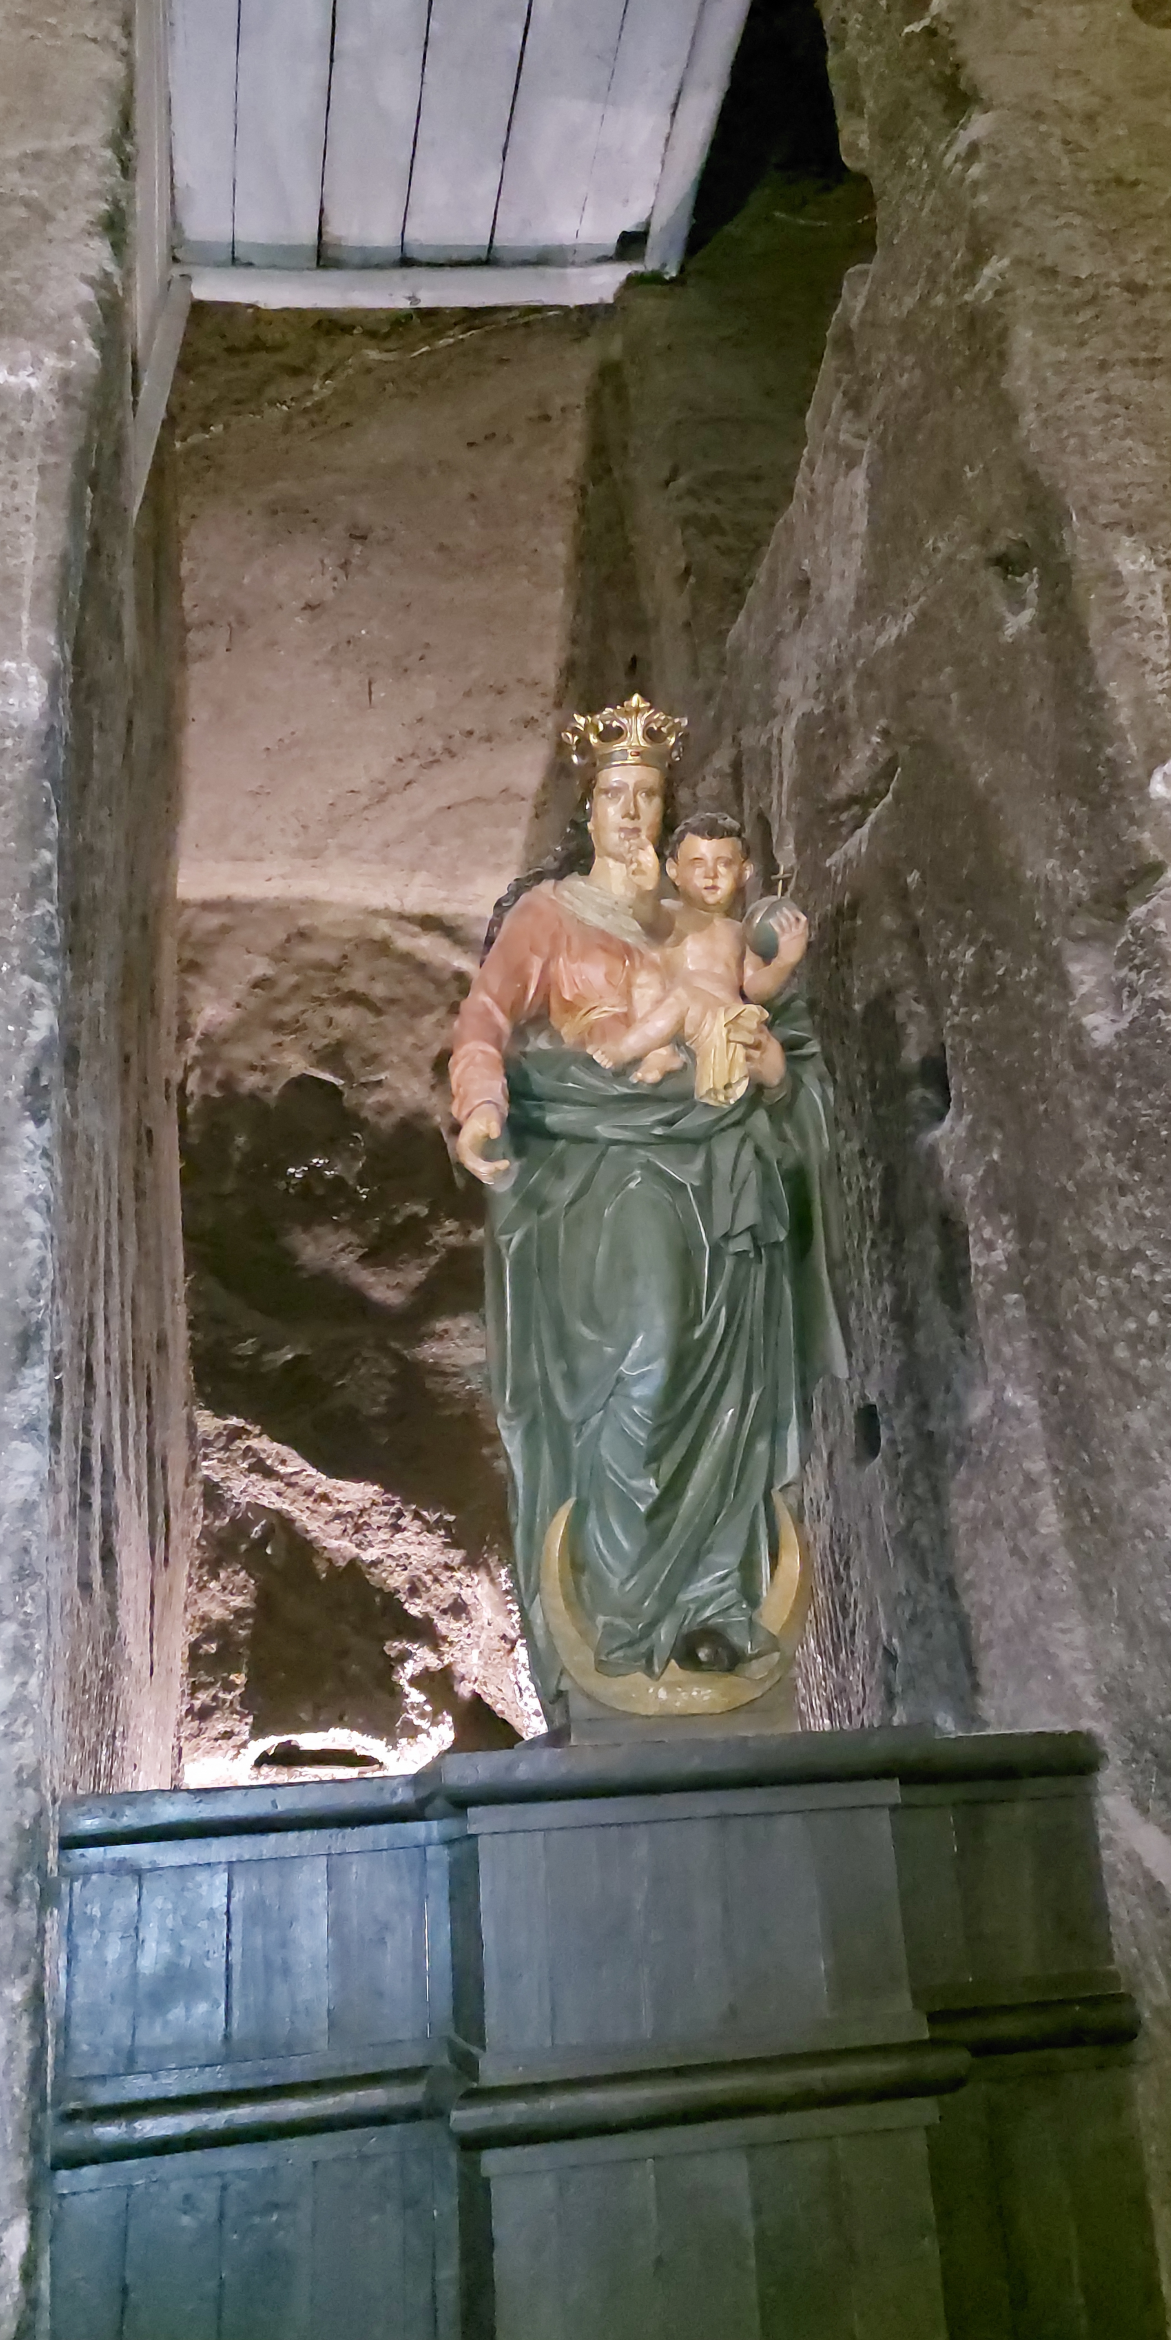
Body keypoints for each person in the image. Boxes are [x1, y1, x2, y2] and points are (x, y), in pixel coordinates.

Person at [448, 697, 844, 1713]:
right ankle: (625, 1615)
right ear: (589, 808)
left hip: (722, 1162)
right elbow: (486, 1015)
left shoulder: (702, 920)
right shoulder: (551, 916)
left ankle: (712, 1607)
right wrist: (482, 1101)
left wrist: (770, 1068)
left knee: (730, 1386)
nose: (632, 812)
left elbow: (780, 1033)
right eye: (615, 794)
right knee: (651, 1359)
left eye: (648, 795)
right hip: (611, 1164)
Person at [591, 813, 810, 1106]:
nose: (711, 875)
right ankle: (656, 1053)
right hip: (683, 1022)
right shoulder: (671, 916)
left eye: (724, 863)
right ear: (674, 871)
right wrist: (645, 891)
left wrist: (784, 961)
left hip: (725, 1024)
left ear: (745, 872)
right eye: (697, 864)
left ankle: (624, 1051)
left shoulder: (740, 932)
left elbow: (755, 989)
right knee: (656, 977)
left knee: (688, 993)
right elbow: (648, 917)